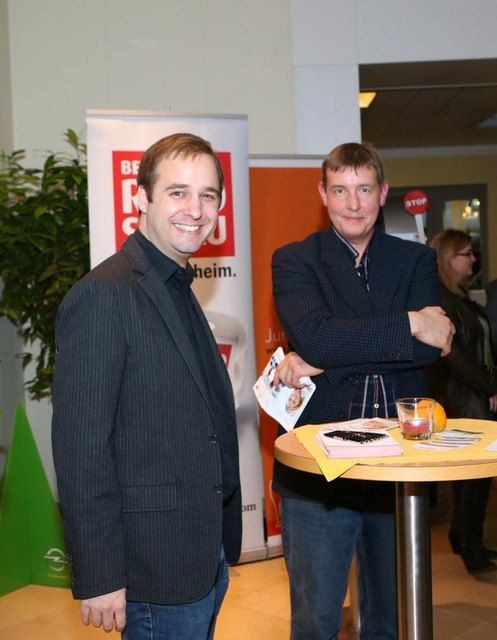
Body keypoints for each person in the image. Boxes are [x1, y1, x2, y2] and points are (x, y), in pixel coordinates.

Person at [51, 133, 242, 639]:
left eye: (208, 195)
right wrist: (100, 575)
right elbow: (81, 449)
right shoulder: (104, 295)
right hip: (153, 566)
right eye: (178, 192)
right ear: (141, 198)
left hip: (201, 552)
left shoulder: (178, 285)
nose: (195, 210)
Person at [271, 141, 454, 640]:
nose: (353, 204)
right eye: (340, 191)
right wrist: (410, 322)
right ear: (322, 194)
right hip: (318, 473)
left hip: (398, 472)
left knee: (391, 620)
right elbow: (317, 338)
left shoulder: (415, 260)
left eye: (364, 190)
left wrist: (324, 360)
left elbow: (426, 352)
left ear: (383, 192)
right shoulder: (295, 260)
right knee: (315, 621)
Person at [428, 229, 497, 574]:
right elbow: (453, 356)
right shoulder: (441, 301)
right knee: (476, 475)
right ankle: (472, 547)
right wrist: (490, 386)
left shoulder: (459, 296)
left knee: (470, 477)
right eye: (466, 253)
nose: (473, 259)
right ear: (447, 258)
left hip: (471, 394)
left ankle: (462, 536)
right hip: (462, 398)